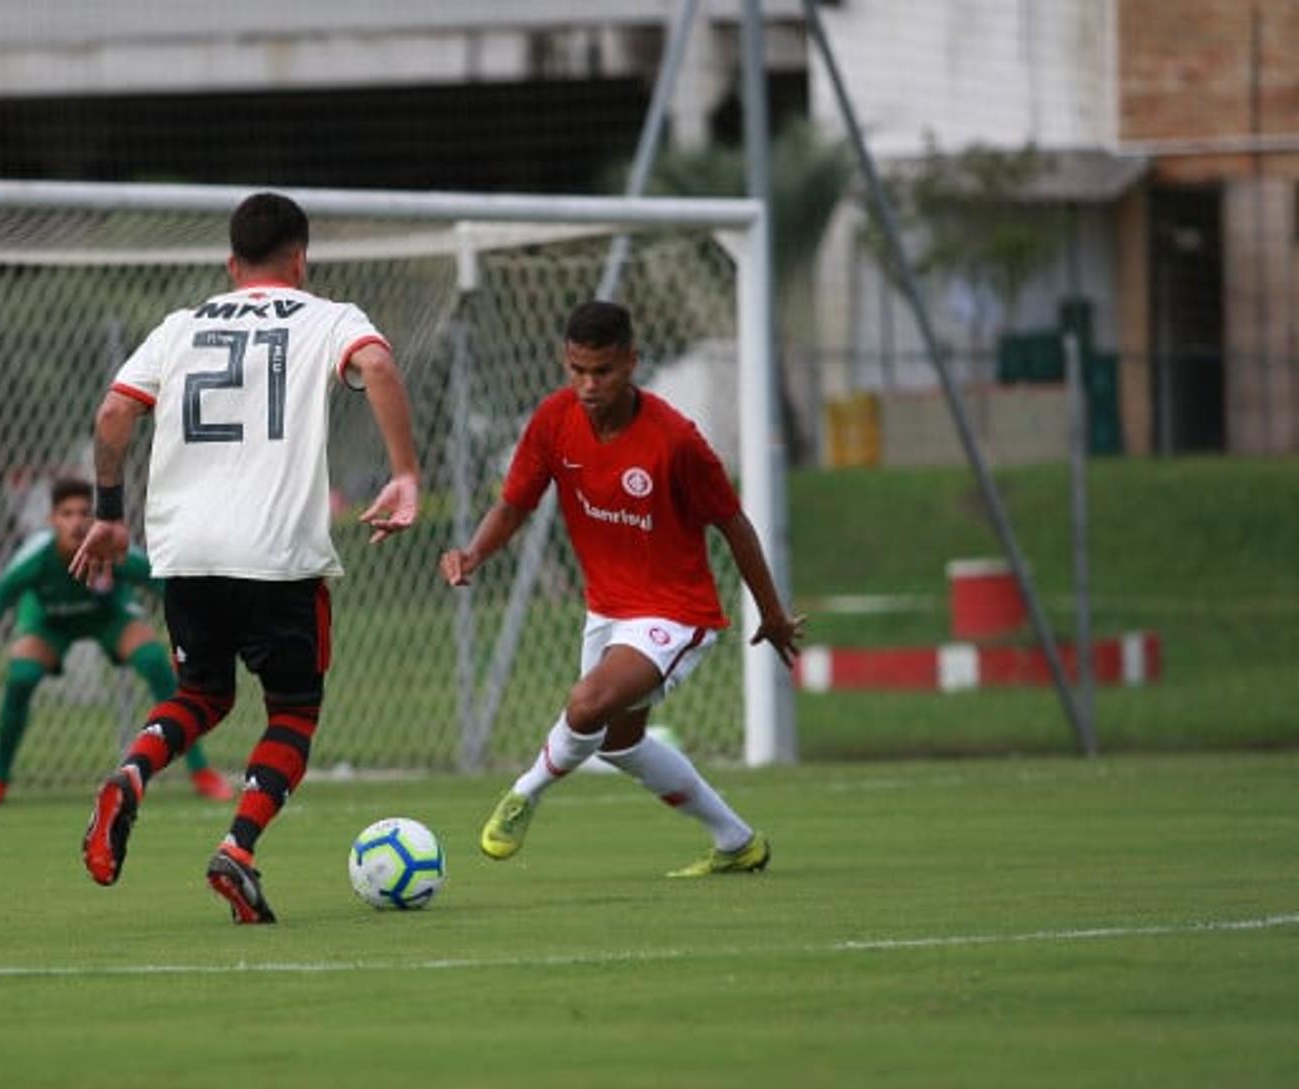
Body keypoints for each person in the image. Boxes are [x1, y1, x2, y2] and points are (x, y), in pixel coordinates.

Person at [69, 191, 421, 924]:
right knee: (293, 708)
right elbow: (379, 367)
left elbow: (112, 413)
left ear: (231, 264)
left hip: (186, 550)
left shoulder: (179, 326)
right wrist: (406, 474)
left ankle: (132, 775)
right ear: (301, 258)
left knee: (203, 693)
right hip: (276, 552)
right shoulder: (329, 317)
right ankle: (239, 848)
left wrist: (108, 515)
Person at [439, 300, 804, 877]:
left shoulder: (675, 441)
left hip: (677, 611)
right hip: (607, 609)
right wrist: (472, 553)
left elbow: (734, 524)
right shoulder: (553, 420)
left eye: (602, 371)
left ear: (631, 363)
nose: (588, 385)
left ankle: (523, 793)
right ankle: (737, 842)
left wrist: (773, 613)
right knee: (618, 743)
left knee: (586, 703)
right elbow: (513, 506)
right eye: (577, 370)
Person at [0, 477, 235, 809]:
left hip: (108, 617)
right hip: (50, 623)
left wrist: (202, 634)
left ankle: (201, 772)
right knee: (20, 678)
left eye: (83, 513)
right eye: (66, 513)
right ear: (51, 520)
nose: (76, 522)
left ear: (95, 519)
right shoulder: (35, 558)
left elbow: (166, 586)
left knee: (153, 661)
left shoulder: (111, 548)